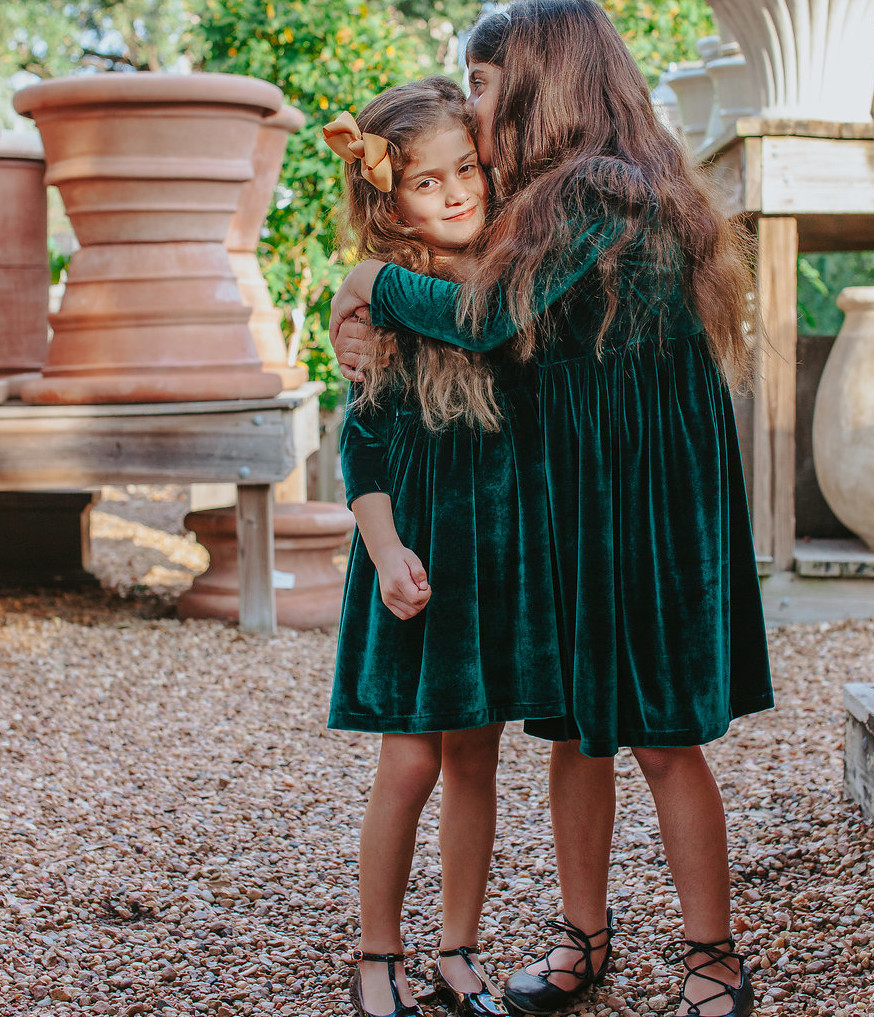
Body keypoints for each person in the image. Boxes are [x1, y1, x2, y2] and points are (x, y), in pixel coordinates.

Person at [328, 3, 774, 1016]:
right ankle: (585, 939)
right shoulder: (546, 198)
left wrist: (368, 281)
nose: (472, 109)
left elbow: (492, 318)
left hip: (640, 505)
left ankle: (714, 952)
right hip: (576, 494)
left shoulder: (604, 189)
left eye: (481, 86)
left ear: (538, 80)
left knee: (660, 735)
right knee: (579, 728)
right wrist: (371, 332)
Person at [325, 77, 567, 1017]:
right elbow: (364, 446)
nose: (457, 192)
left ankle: (458, 947)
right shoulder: (383, 306)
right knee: (411, 761)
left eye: (467, 169)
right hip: (415, 558)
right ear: (389, 200)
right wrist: (384, 551)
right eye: (428, 182)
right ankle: (375, 949)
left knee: (478, 759)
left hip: (498, 562)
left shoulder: (516, 278)